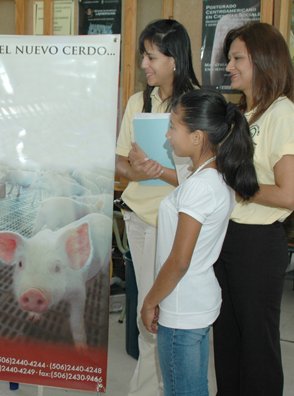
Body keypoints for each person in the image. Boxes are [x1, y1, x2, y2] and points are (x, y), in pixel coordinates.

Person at [141, 89, 259, 396]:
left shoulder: (201, 187)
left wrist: (151, 300)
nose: (168, 135)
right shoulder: (210, 175)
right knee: (193, 387)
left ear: (197, 137)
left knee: (184, 390)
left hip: (183, 306)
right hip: (193, 301)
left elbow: (179, 261)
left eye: (173, 127)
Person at [115, 19, 200, 396]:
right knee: (148, 315)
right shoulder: (138, 101)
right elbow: (119, 163)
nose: (145, 64)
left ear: (175, 60)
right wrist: (136, 169)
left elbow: (206, 178)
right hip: (138, 219)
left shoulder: (197, 104)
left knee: (157, 316)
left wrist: (159, 170)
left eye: (152, 57)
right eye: (144, 56)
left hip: (175, 223)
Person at [213, 22, 294, 396]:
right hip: (226, 236)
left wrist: (237, 185)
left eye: (237, 57)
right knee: (226, 339)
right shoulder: (242, 113)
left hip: (258, 244)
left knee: (256, 345)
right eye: (229, 57)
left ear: (263, 59)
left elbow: (287, 194)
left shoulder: (282, 113)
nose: (229, 65)